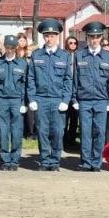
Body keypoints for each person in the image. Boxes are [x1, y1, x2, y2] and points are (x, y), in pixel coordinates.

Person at [27, 19, 73, 171]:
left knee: (58, 132)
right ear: (43, 37)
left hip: (58, 99)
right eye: (47, 36)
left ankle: (54, 161)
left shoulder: (64, 56)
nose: (49, 39)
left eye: (52, 36)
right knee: (42, 131)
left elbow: (68, 79)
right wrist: (32, 98)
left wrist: (66, 99)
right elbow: (31, 78)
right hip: (41, 99)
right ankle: (45, 160)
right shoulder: (36, 55)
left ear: (57, 37)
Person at [72, 22, 109, 171]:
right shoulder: (79, 55)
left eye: (97, 37)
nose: (94, 40)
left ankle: (96, 162)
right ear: (87, 38)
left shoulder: (108, 57)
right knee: (85, 132)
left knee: (99, 132)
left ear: (101, 38)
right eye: (91, 37)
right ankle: (85, 162)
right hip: (84, 100)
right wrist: (74, 98)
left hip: (101, 100)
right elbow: (75, 79)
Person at [0, 35, 29, 170]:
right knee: (3, 131)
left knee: (17, 131)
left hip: (16, 101)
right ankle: (5, 160)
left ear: (16, 48)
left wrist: (24, 102)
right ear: (4, 47)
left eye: (12, 47)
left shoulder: (22, 64)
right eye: (7, 47)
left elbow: (25, 84)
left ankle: (15, 160)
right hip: (1, 100)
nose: (10, 50)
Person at [64, 35, 81, 150]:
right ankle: (63, 139)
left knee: (74, 117)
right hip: (66, 88)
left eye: (75, 43)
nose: (73, 45)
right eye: (70, 43)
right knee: (64, 117)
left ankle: (72, 139)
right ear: (67, 44)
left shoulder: (79, 55)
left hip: (76, 89)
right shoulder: (63, 55)